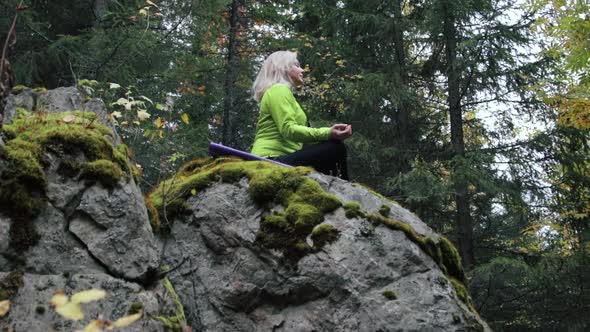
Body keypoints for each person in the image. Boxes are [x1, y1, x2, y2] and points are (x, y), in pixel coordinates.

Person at [250, 50, 352, 180]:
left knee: (332, 147)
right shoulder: (278, 90)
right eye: (297, 65)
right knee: (335, 148)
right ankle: (344, 190)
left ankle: (337, 189)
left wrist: (329, 134)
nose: (302, 70)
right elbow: (288, 129)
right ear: (283, 68)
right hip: (270, 159)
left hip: (281, 158)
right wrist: (328, 133)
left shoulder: (281, 92)